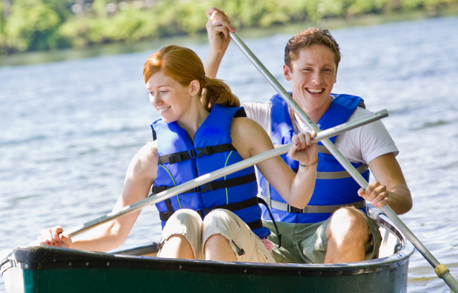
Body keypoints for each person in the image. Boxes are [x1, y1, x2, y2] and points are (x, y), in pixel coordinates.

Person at [39, 44, 319, 263]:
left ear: (193, 87)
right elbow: (115, 233)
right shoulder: (149, 158)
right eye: (150, 93)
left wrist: (308, 164)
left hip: (251, 264)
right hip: (191, 272)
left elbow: (296, 198)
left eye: (163, 91)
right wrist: (69, 244)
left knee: (218, 220)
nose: (155, 102)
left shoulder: (242, 131)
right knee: (181, 220)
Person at [204, 8, 413, 264]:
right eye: (306, 69)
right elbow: (201, 110)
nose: (317, 79)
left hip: (334, 237)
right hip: (273, 238)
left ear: (336, 75)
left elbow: (402, 195)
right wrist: (216, 52)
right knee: (218, 224)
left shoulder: (361, 124)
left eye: (326, 70)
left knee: (347, 220)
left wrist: (386, 198)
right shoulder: (260, 117)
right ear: (287, 73)